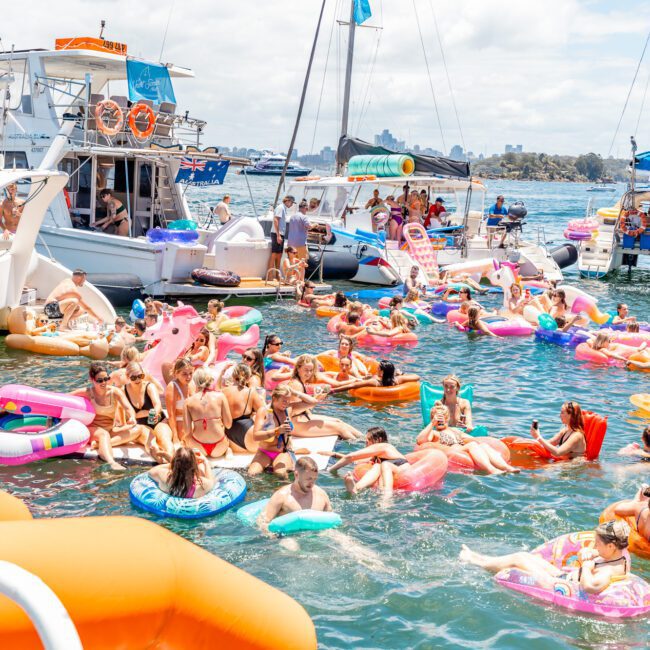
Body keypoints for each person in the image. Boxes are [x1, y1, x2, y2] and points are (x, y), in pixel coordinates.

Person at [459, 520, 631, 595]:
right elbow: (600, 555)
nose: (594, 546)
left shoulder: (608, 571)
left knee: (519, 559)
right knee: (526, 556)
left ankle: (475, 561)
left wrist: (587, 564)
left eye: (597, 544)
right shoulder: (621, 554)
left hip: (560, 583)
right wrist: (592, 554)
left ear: (610, 546)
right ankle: (481, 558)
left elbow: (589, 587)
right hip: (563, 576)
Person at [71, 362, 145, 471]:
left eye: (106, 379)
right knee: (103, 434)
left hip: (110, 429)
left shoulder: (115, 392)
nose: (104, 383)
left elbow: (128, 408)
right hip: (93, 430)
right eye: (99, 380)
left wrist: (132, 418)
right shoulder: (87, 392)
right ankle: (111, 463)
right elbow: (64, 398)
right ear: (92, 380)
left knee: (138, 429)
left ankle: (100, 445)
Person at [286, 355, 361, 440]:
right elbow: (292, 410)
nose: (309, 373)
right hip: (294, 425)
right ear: (298, 369)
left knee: (338, 421)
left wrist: (316, 399)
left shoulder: (301, 382)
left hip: (300, 418)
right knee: (340, 428)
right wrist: (315, 401)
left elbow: (301, 407)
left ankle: (363, 438)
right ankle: (360, 445)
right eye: (306, 370)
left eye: (311, 370)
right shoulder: (296, 385)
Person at [248, 385, 310, 478]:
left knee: (280, 474)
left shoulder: (289, 409)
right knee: (252, 474)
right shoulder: (263, 411)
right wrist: (277, 431)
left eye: (289, 400)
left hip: (283, 452)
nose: (287, 403)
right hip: (265, 451)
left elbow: (313, 402)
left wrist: (294, 392)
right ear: (274, 398)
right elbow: (256, 436)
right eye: (284, 400)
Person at [330, 427, 408, 497]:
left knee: (383, 464)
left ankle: (387, 496)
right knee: (377, 466)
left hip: (403, 471)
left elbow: (350, 457)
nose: (366, 445)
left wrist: (331, 469)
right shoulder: (378, 454)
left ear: (379, 440)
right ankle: (356, 488)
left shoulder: (384, 446)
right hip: (391, 470)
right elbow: (355, 460)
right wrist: (335, 454)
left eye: (367, 441)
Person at [260, 456, 333, 527]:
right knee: (289, 540)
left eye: (314, 479)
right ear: (296, 475)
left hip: (317, 534)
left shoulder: (321, 494)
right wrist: (273, 536)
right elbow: (263, 522)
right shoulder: (282, 496)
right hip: (288, 536)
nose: (312, 483)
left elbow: (330, 519)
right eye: (309, 479)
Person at [123, 361, 173, 462]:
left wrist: (150, 413)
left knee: (165, 440)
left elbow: (157, 405)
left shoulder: (149, 386)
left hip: (158, 421)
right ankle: (162, 462)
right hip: (142, 426)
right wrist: (144, 413)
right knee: (151, 445)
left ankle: (171, 459)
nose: (137, 379)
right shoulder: (123, 391)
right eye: (133, 377)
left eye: (140, 376)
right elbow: (126, 414)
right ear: (127, 377)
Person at [183, 368, 232, 459]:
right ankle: (228, 450)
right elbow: (228, 425)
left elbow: (187, 431)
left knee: (186, 440)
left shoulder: (188, 401)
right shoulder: (220, 396)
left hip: (197, 446)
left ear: (195, 382)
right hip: (219, 446)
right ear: (210, 380)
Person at [222, 364, 266, 453]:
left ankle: (228, 450)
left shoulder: (223, 391)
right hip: (249, 437)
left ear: (233, 376)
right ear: (249, 378)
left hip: (228, 439)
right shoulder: (250, 392)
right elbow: (264, 413)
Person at [148, 447, 215, 498]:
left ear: (174, 464)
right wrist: (205, 462)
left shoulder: (163, 476)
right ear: (193, 466)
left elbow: (151, 472)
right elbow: (211, 481)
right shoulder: (201, 486)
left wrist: (173, 463)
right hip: (191, 502)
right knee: (201, 468)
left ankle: (171, 459)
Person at [334, 359, 419, 394]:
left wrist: (333, 390)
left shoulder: (375, 382)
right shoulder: (397, 380)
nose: (376, 368)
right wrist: (401, 374)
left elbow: (352, 385)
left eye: (378, 368)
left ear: (382, 372)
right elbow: (416, 377)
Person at [164, 358, 195, 446]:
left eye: (190, 373)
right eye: (184, 374)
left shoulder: (191, 383)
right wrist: (175, 436)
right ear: (176, 374)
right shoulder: (172, 387)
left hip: (191, 419)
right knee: (188, 443)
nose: (188, 377)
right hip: (178, 420)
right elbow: (171, 414)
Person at [268, 195, 294, 272]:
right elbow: (276, 220)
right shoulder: (280, 208)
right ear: (288, 201)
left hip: (280, 234)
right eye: (292, 202)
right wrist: (278, 235)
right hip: (277, 234)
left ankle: (277, 274)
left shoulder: (283, 208)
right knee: (274, 254)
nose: (292, 204)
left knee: (279, 255)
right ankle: (269, 275)